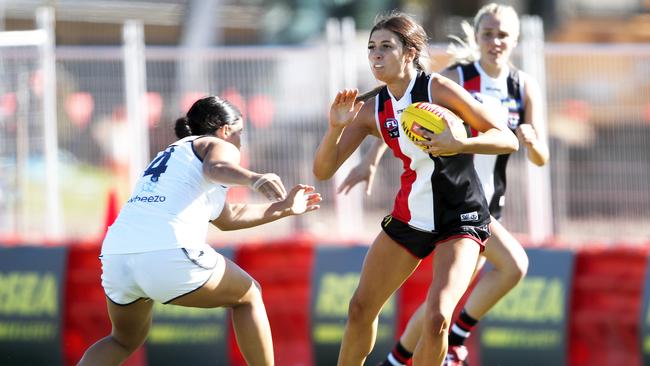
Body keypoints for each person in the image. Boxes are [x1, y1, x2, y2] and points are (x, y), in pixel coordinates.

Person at [337, 4, 550, 365]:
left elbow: (539, 156)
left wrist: (531, 142)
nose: (495, 41)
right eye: (488, 34)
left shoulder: (524, 85)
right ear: (477, 37)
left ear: (515, 40)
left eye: (503, 35)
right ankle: (453, 342)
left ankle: (405, 356)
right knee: (513, 265)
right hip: (452, 197)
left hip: (483, 202)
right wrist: (371, 160)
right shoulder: (455, 77)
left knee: (445, 303)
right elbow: (403, 117)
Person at [77, 96, 322, 366]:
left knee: (122, 340)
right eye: (240, 133)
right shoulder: (219, 145)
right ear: (226, 130)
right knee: (249, 295)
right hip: (167, 252)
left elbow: (227, 218)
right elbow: (216, 168)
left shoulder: (172, 153)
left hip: (116, 255)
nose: (241, 141)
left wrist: (285, 208)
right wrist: (254, 178)